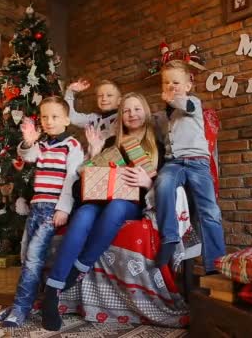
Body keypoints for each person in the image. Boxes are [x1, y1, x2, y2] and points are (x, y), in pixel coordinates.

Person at [41, 92, 161, 331]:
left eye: (136, 109)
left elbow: (161, 187)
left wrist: (147, 182)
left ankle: (80, 267)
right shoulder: (109, 143)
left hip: (128, 203)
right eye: (126, 110)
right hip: (98, 198)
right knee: (84, 213)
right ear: (120, 116)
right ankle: (51, 292)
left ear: (145, 112)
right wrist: (94, 155)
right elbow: (82, 182)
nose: (132, 114)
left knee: (116, 207)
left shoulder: (157, 145)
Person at [0, 96, 84, 327]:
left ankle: (20, 309)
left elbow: (72, 180)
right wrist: (27, 142)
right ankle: (26, 303)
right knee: (26, 256)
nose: (49, 121)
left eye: (54, 116)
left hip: (51, 210)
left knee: (34, 259)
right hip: (36, 207)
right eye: (44, 116)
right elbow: (28, 155)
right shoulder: (42, 144)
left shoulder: (72, 145)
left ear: (66, 119)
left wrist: (63, 208)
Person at [153, 60, 226, 274]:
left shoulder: (192, 102)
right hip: (174, 163)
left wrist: (174, 99)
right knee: (163, 183)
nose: (171, 86)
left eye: (176, 82)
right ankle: (170, 237)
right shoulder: (163, 115)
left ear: (187, 86)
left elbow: (186, 106)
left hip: (197, 163)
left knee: (209, 211)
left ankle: (215, 264)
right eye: (166, 82)